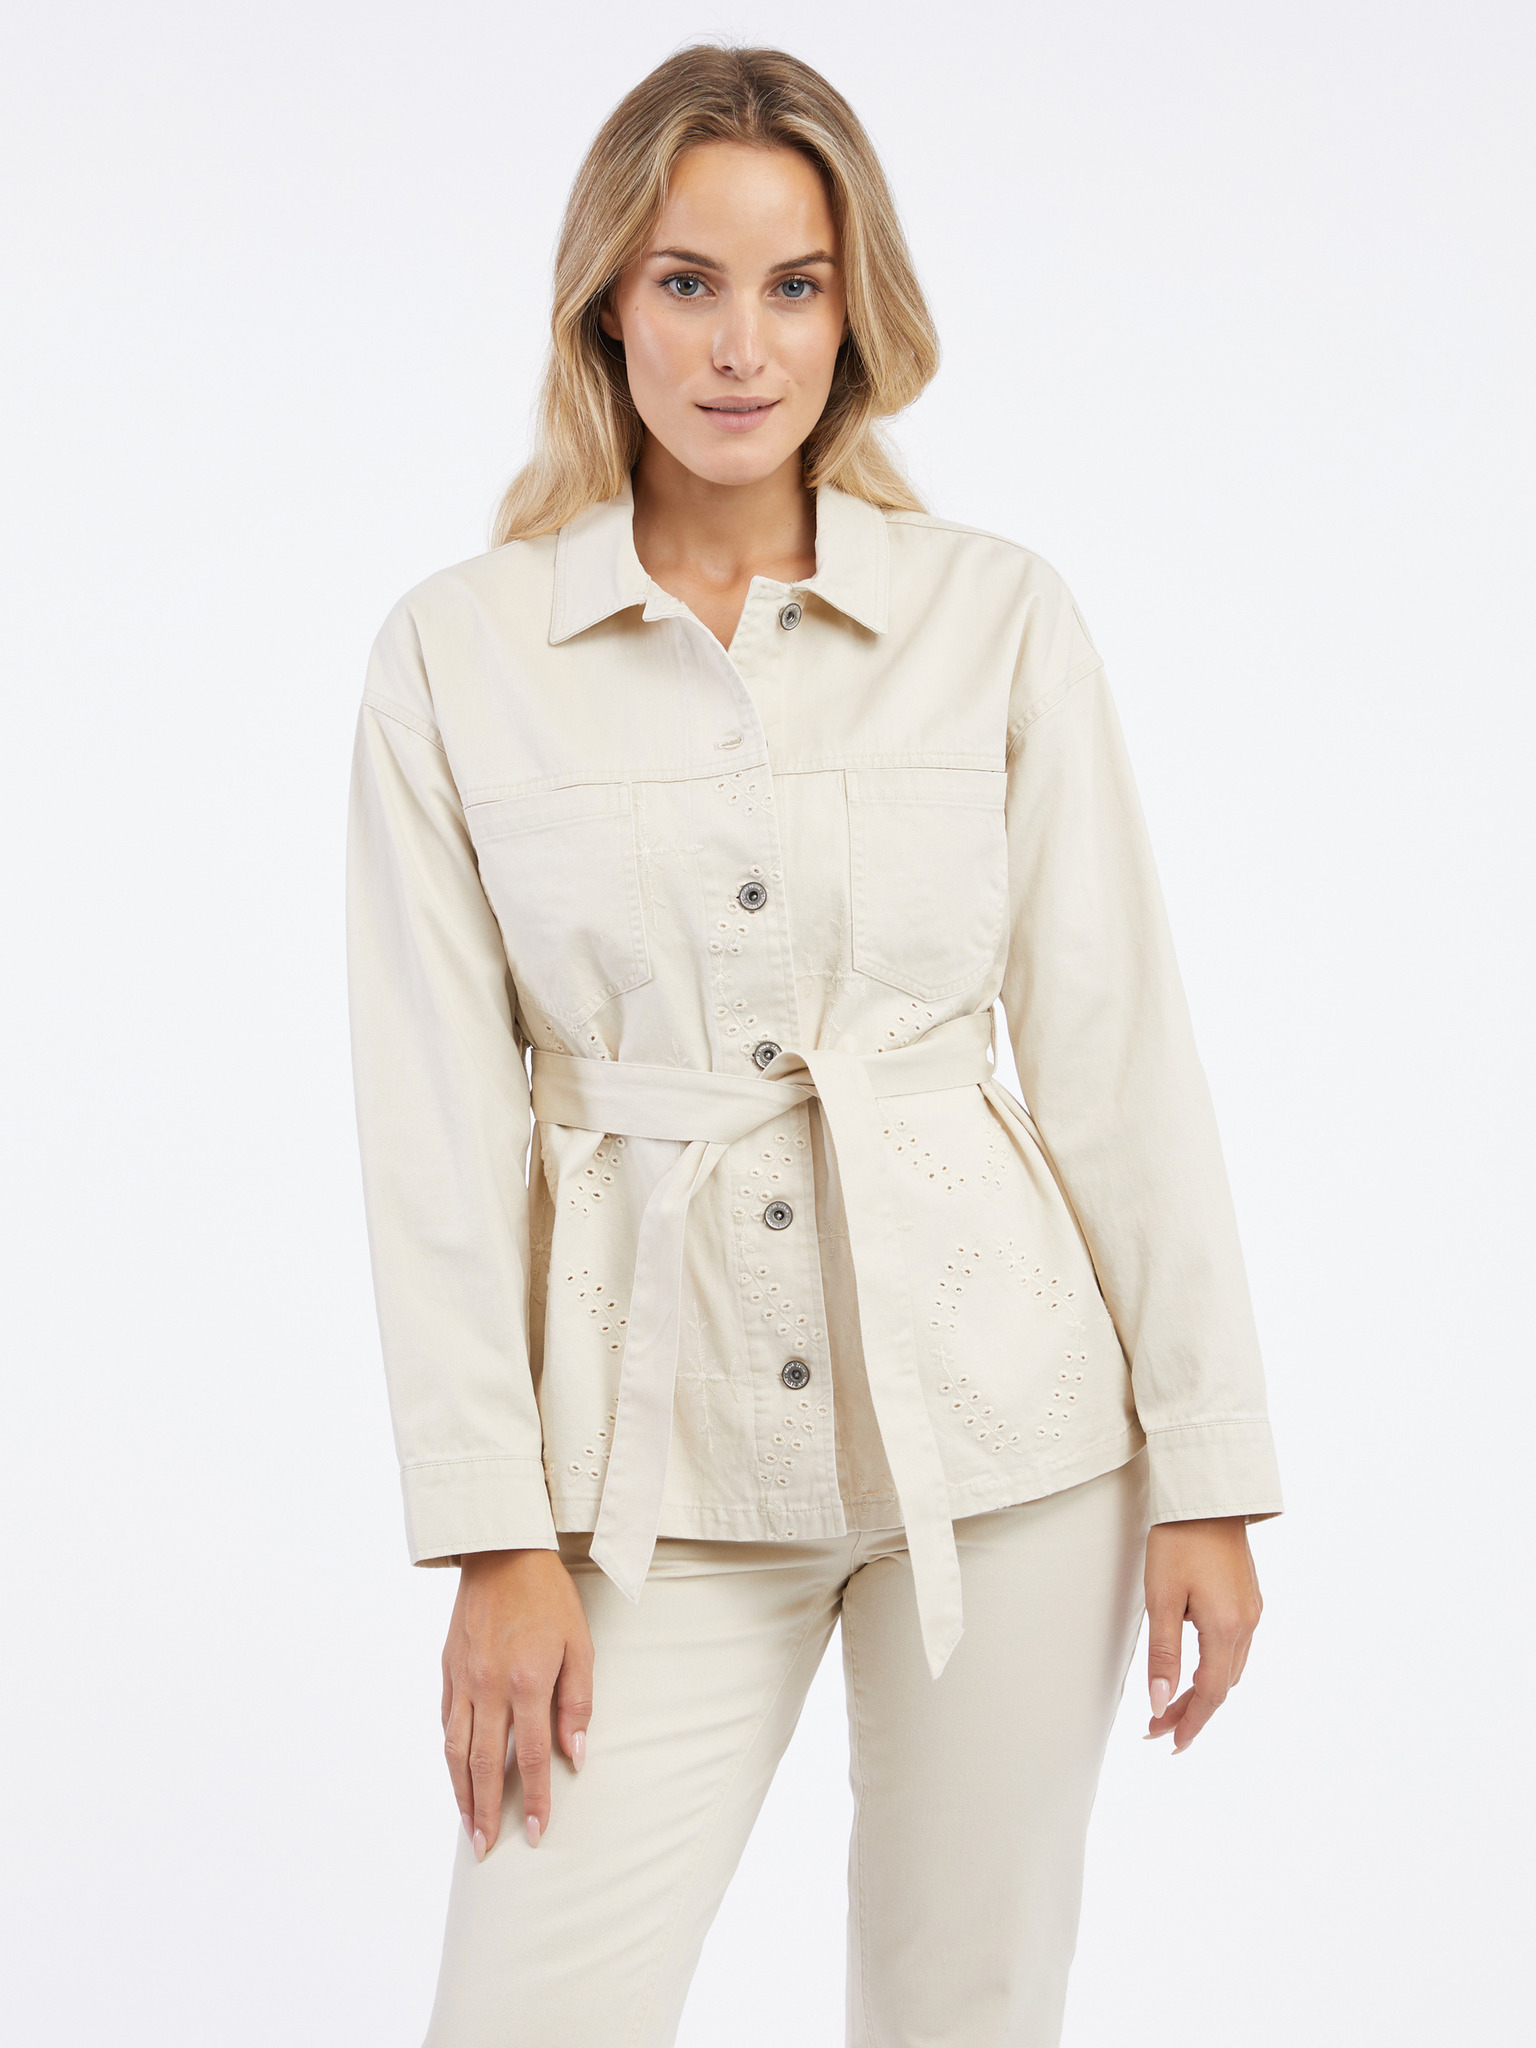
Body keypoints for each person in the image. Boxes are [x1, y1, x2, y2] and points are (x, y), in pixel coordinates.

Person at [345, 41, 1284, 2048]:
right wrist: (493, 1532)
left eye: (794, 284)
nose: (739, 344)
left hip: (1016, 1442)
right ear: (606, 301)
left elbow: (1117, 1049)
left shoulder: (997, 617)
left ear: (856, 311)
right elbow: (435, 1128)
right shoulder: (458, 654)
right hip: (644, 1471)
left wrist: (1208, 1468)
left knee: (969, 2009)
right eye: (686, 281)